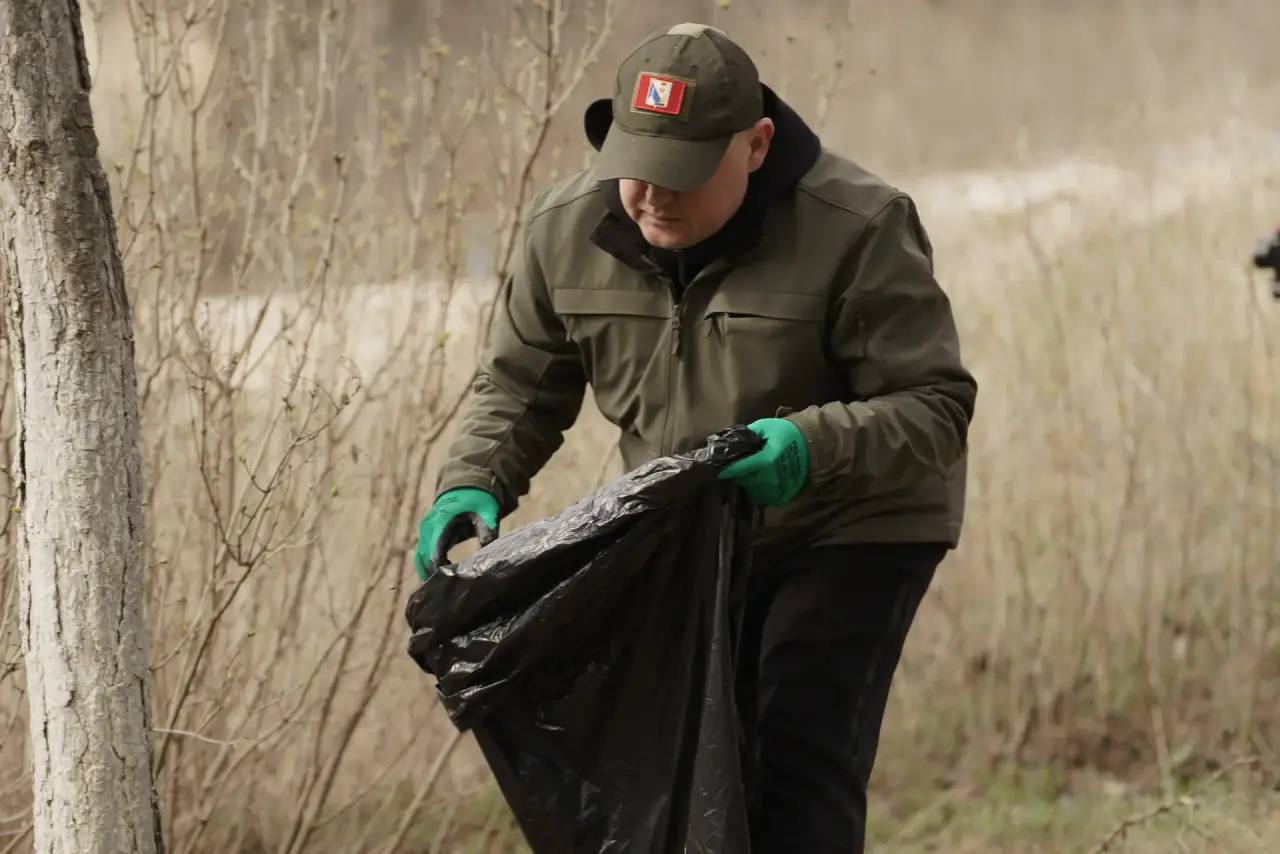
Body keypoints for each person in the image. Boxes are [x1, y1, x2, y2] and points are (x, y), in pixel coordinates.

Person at [414, 23, 977, 853]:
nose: (651, 197)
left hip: (852, 522)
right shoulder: (564, 230)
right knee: (695, 765)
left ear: (755, 147)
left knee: (796, 750)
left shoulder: (858, 225)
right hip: (688, 531)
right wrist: (474, 482)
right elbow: (520, 384)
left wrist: (803, 448)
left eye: (681, 175)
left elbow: (936, 406)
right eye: (636, 168)